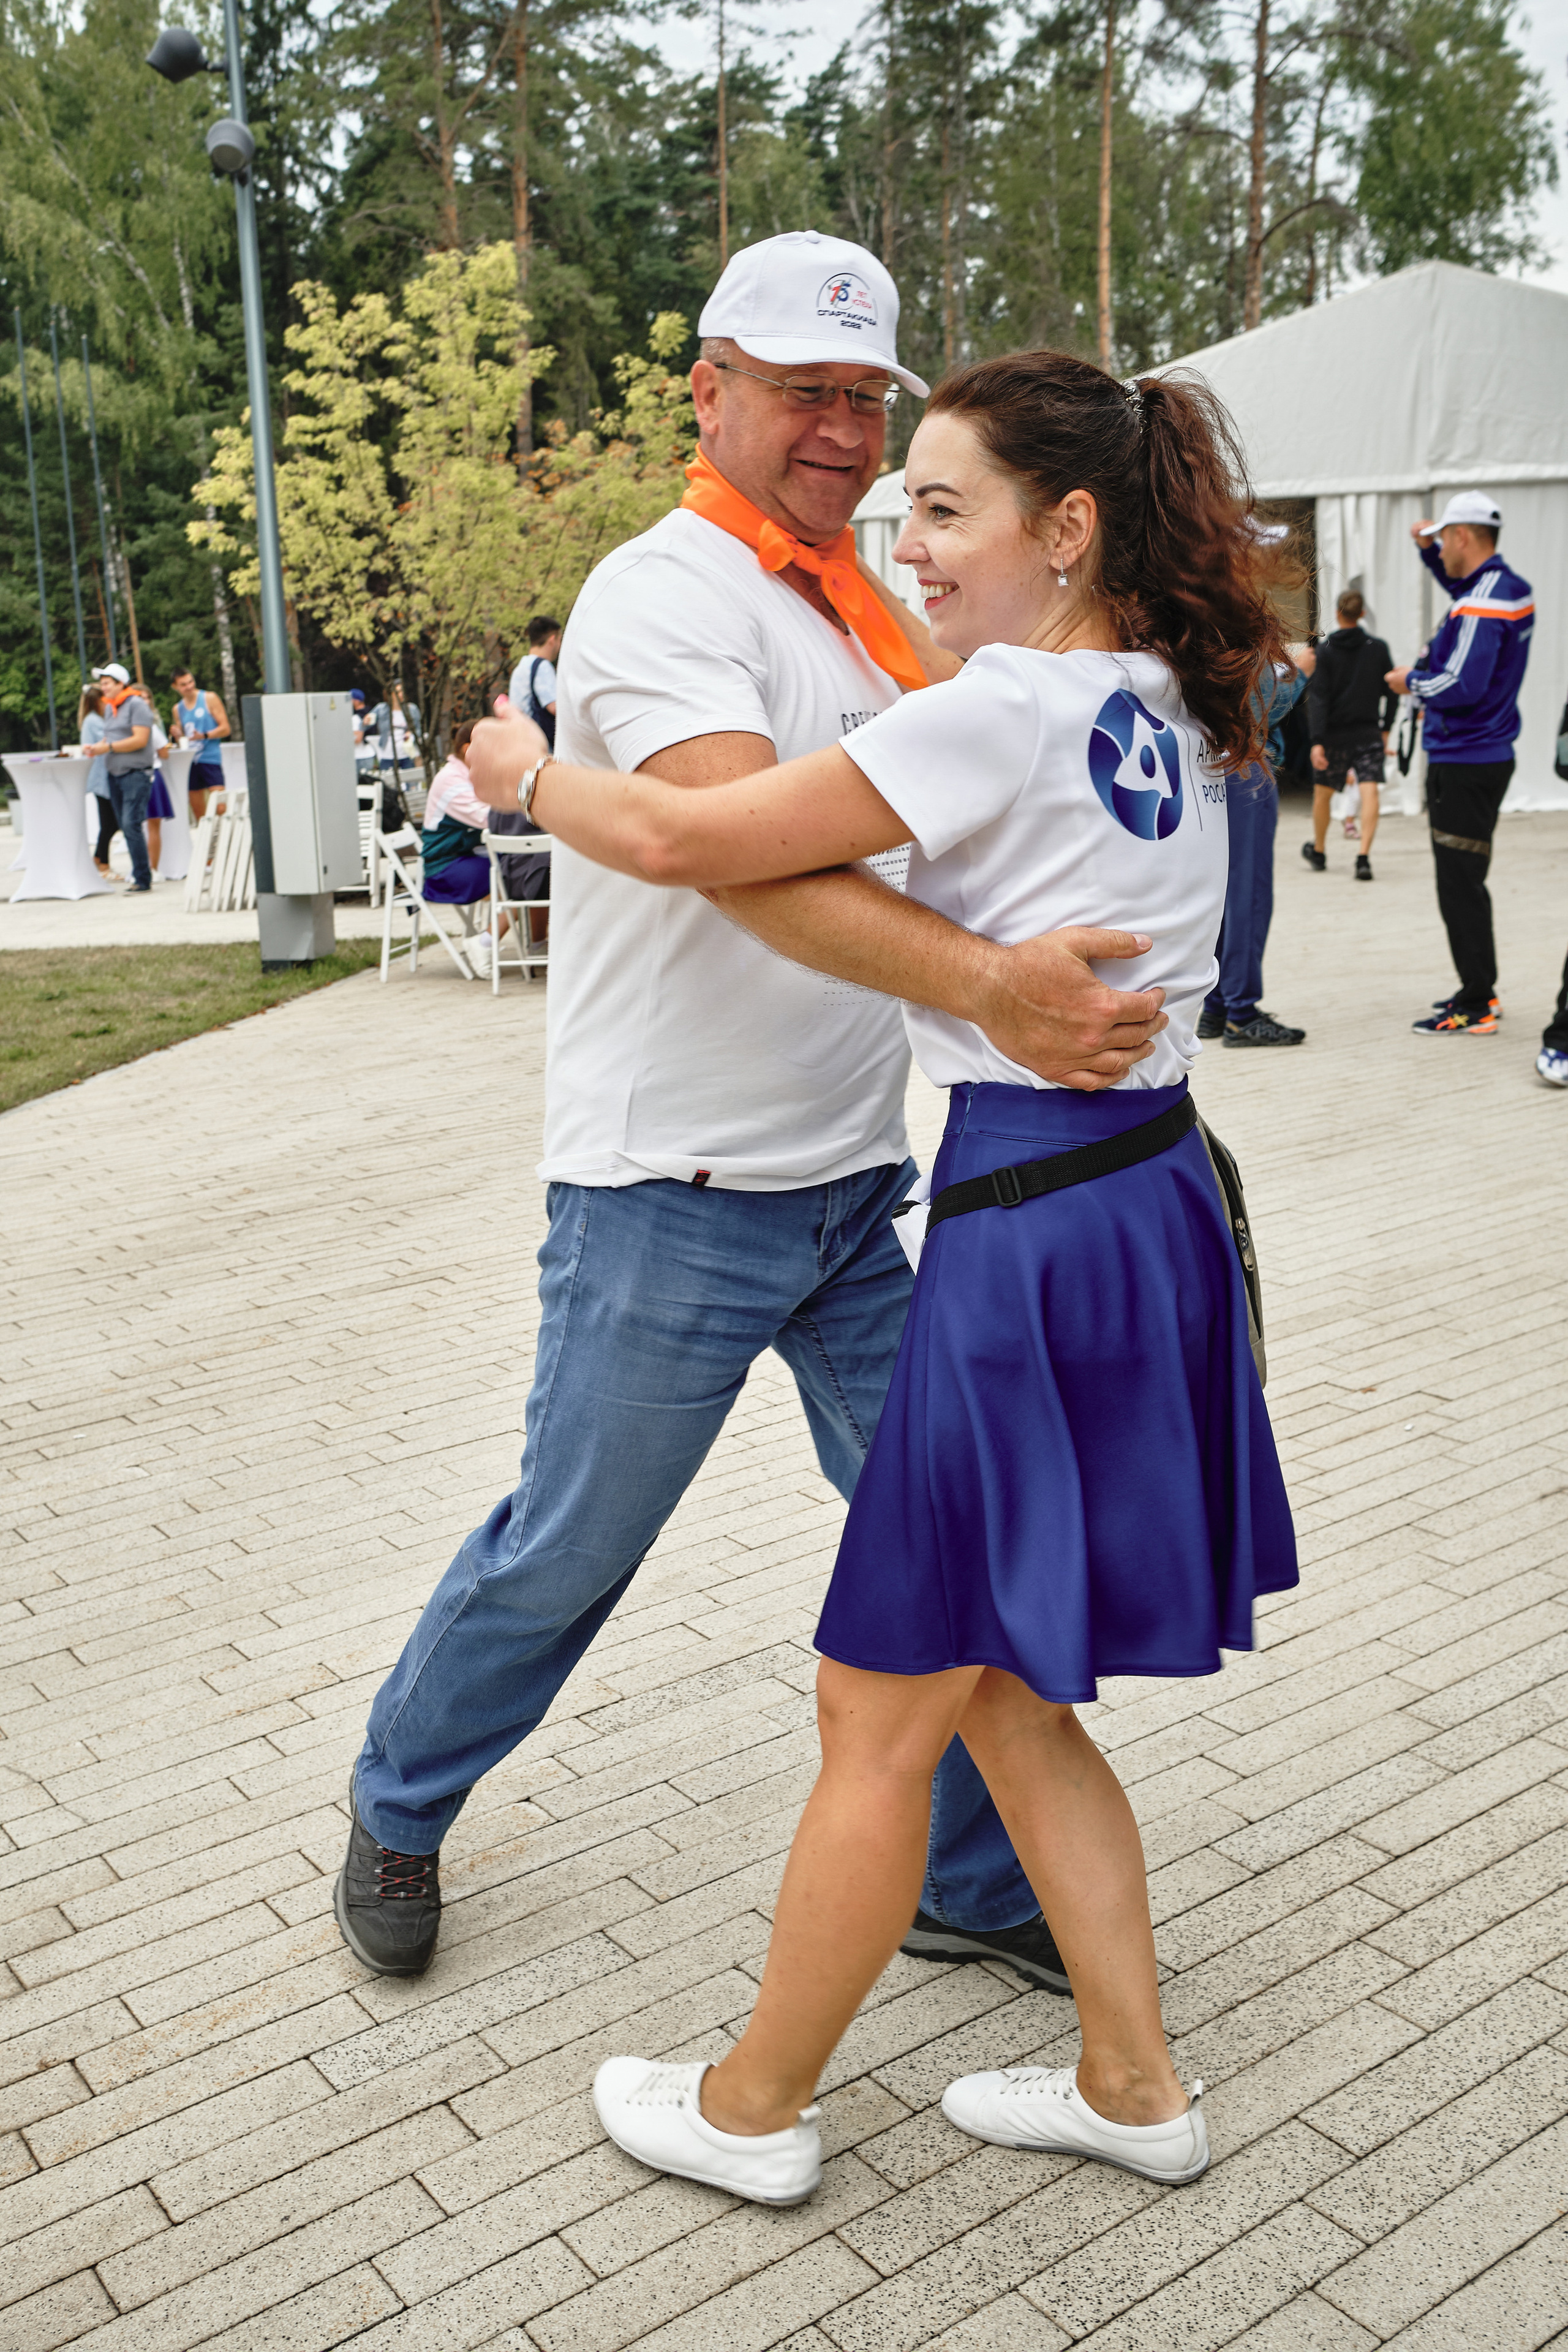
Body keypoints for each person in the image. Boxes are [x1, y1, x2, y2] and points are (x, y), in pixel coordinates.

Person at [496, 348, 1297, 2203]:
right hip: (1144, 1200)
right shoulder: (1160, 700)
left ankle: (751, 2106)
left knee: (878, 1705)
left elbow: (697, 839)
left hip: (1027, 1233)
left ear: (1064, 526)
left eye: (942, 505)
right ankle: (1128, 2075)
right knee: (1006, 1690)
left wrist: (530, 771)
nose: (905, 540)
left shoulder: (998, 710)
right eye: (900, 506)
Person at [334, 232, 1169, 1989]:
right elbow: (741, 871)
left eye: (867, 398)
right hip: (676, 1186)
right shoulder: (669, 595)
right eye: (805, 393)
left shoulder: (869, 599)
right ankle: (401, 1800)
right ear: (709, 390)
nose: (845, 434)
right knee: (571, 1543)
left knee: (947, 1546)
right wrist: (995, 990)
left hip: (861, 1182)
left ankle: (963, 1872)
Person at [1387, 494, 1535, 1036]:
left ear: (1464, 538)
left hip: (1465, 760)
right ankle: (1478, 989)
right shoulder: (1504, 588)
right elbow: (1461, 591)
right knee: (1466, 881)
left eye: (1446, 540)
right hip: (1485, 757)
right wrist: (1429, 551)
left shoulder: (1480, 605)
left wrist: (1412, 682)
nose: (1442, 548)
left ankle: (1477, 1002)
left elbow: (1462, 684)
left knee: (1460, 886)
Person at [1200, 648, 1311, 1047]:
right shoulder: (1236, 623)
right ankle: (1241, 1013)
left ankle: (1217, 1005)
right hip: (1246, 763)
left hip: (1216, 764)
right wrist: (1298, 677)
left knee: (1226, 892)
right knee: (1249, 893)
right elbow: (1262, 707)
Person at [1302, 590, 1395, 880]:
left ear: (1339, 614)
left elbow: (1319, 699)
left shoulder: (1326, 651)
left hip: (1334, 737)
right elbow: (1392, 691)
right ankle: (1363, 857)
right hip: (1368, 732)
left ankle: (1319, 849)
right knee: (1369, 793)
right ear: (1362, 614)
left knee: (1323, 795)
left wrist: (1317, 741)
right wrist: (1386, 729)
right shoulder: (1377, 649)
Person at [100, 668, 160, 892]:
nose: (104, 688)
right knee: (126, 827)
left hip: (136, 774)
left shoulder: (137, 705)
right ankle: (140, 874)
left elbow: (140, 740)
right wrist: (100, 746)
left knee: (131, 825)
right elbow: (112, 736)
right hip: (115, 774)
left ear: (121, 683)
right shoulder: (110, 707)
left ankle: (143, 878)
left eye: (107, 683)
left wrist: (108, 747)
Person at [169, 665, 230, 823]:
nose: (189, 687)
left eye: (191, 682)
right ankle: (209, 843)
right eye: (183, 685)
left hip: (210, 758)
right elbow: (184, 738)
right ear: (175, 687)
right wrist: (177, 734)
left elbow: (225, 728)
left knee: (220, 806)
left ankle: (224, 837)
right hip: (191, 761)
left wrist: (204, 735)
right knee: (198, 811)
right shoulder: (178, 709)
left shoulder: (209, 698)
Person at [78, 682, 117, 876]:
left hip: (105, 775)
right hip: (102, 777)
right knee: (110, 821)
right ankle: (103, 864)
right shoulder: (93, 721)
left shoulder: (93, 719)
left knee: (111, 821)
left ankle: (98, 859)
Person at [508, 617, 561, 748]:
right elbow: (554, 707)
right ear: (552, 640)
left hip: (522, 741)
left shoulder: (519, 669)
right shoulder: (543, 666)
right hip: (541, 743)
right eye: (560, 640)